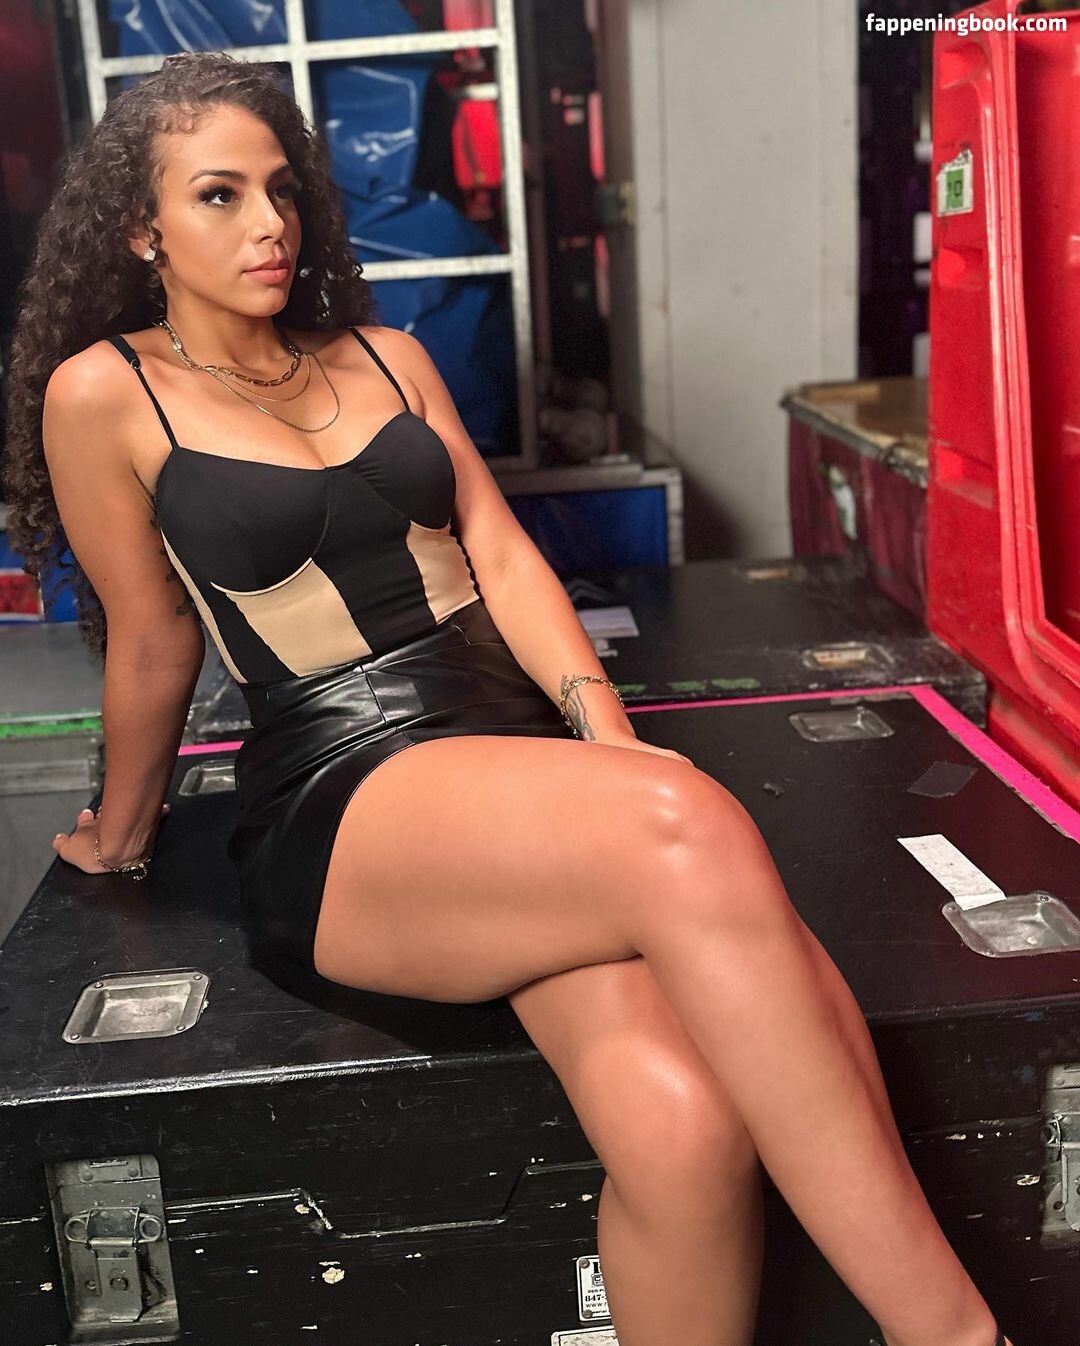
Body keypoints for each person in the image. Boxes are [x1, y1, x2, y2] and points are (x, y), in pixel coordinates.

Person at [2, 50, 1011, 1346]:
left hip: (514, 767)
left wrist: (604, 735)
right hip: (346, 791)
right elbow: (152, 642)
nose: (267, 223)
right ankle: (957, 1335)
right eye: (217, 195)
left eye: (280, 188)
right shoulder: (106, 391)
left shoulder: (388, 356)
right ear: (141, 229)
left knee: (680, 1126)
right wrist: (120, 831)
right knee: (686, 826)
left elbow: (503, 556)